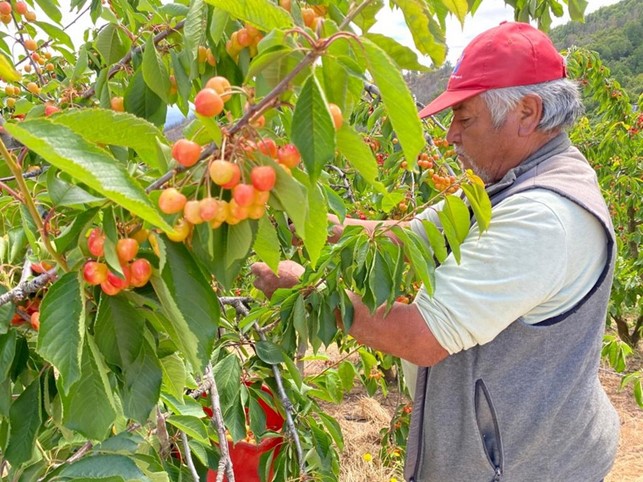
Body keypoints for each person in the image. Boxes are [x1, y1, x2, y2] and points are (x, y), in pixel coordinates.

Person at [251, 21, 619, 482]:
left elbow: (420, 338)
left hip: (530, 468)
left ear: (527, 112)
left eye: (465, 118)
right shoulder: (506, 181)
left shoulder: (544, 217)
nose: (451, 137)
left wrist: (305, 289)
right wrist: (306, 218)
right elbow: (407, 238)